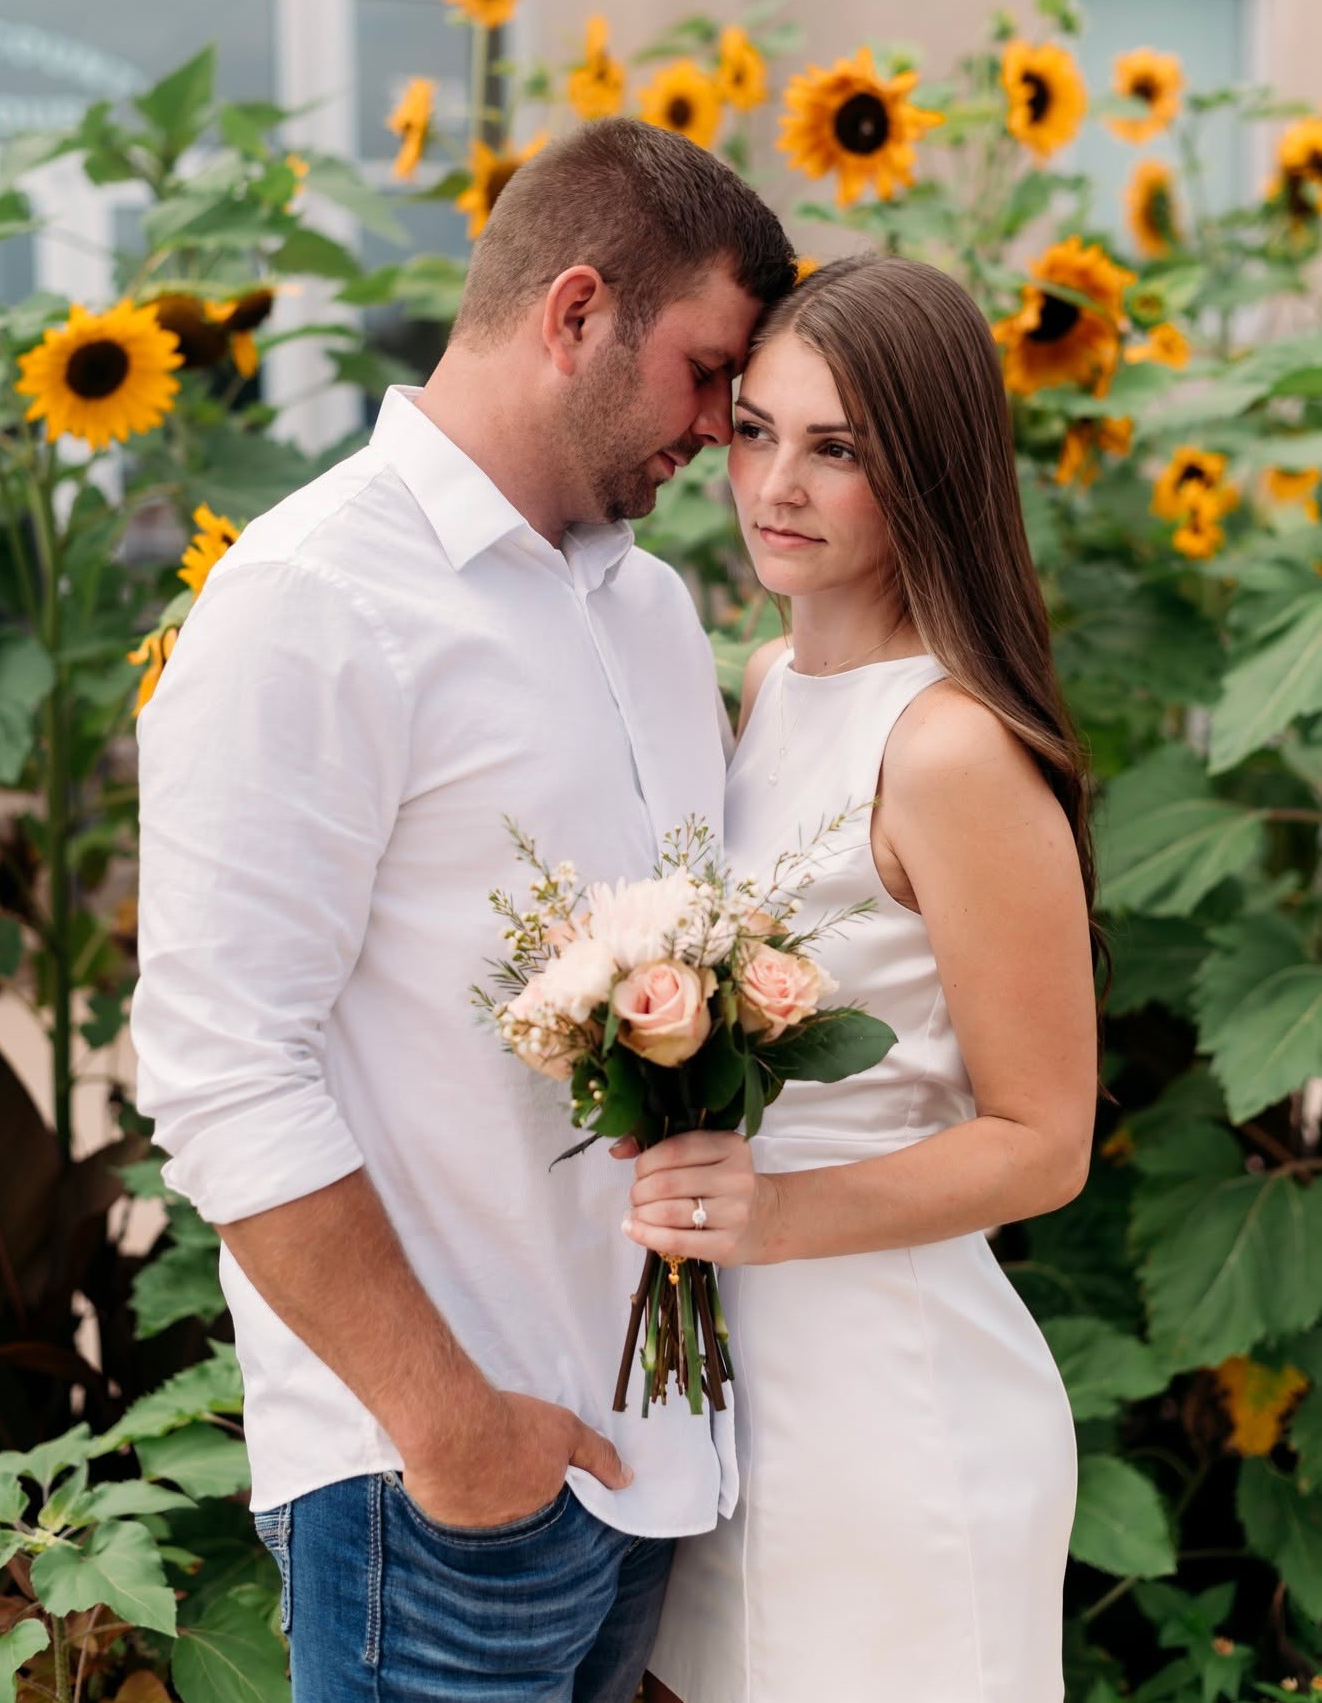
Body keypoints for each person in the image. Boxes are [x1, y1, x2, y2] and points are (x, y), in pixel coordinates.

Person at [130, 116, 794, 1702]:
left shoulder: (648, 605)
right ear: (575, 316)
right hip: (437, 1505)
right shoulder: (312, 601)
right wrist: (455, 1433)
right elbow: (222, 1069)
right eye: (708, 372)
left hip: (645, 1480)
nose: (727, 426)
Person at [626, 255, 1100, 1703]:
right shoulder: (768, 683)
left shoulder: (948, 747)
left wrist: (770, 1212)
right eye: (757, 429)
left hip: (898, 1404)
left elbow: (1046, 1139)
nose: (775, 484)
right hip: (741, 1395)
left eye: (838, 451)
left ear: (931, 471)